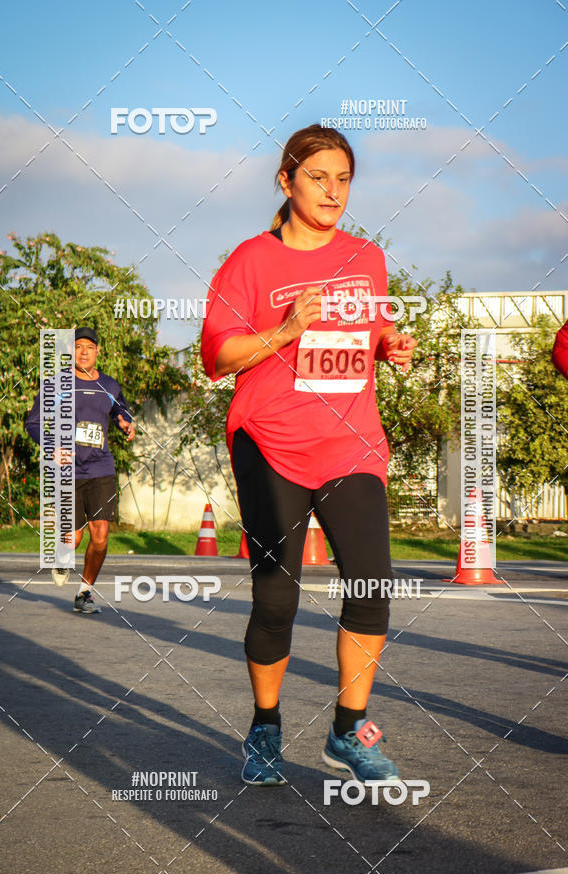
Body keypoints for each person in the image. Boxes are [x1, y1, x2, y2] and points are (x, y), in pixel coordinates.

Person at [201, 124, 418, 786]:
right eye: (318, 177)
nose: (332, 191)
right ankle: (266, 728)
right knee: (277, 599)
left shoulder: (366, 257)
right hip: (268, 441)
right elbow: (217, 358)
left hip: (350, 440)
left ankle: (347, 732)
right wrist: (289, 328)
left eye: (344, 179)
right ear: (286, 180)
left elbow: (367, 328)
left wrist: (388, 344)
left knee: (373, 586)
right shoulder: (250, 261)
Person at [26, 326, 135, 613]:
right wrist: (51, 447)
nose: (83, 351)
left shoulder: (110, 386)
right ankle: (62, 557)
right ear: (70, 352)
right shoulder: (56, 383)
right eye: (77, 347)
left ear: (98, 351)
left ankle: (85, 592)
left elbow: (121, 411)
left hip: (101, 468)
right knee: (72, 538)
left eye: (89, 346)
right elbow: (34, 423)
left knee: (100, 536)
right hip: (68, 471)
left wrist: (125, 422)